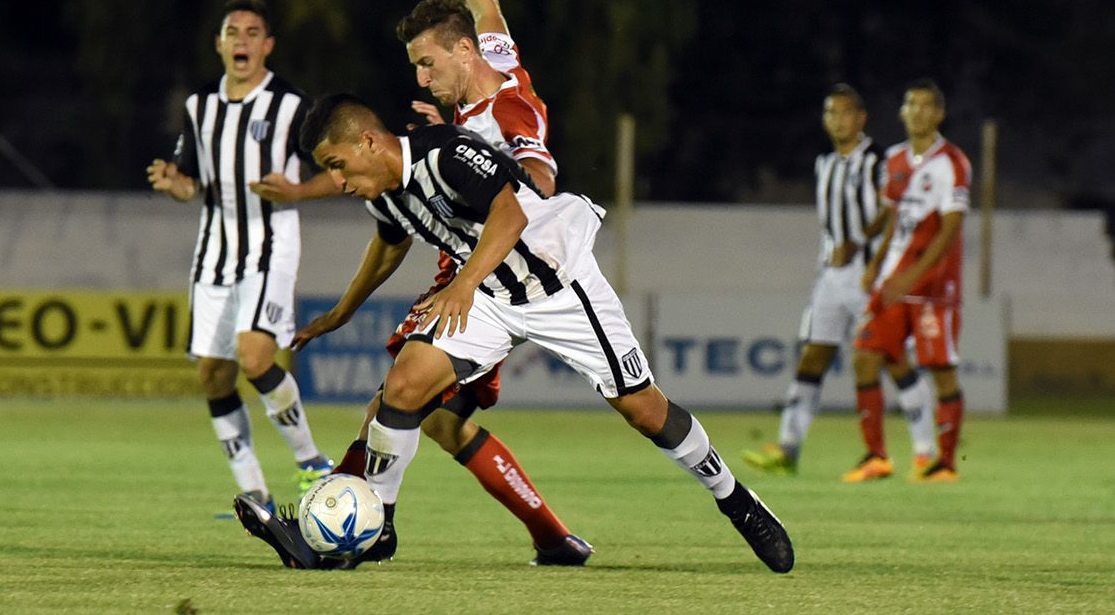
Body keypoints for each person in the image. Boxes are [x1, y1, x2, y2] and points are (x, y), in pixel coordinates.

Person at [234, 94, 795, 574]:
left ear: (369, 141)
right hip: (490, 296)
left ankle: (735, 500)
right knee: (402, 389)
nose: (336, 182)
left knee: (645, 411)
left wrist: (461, 284)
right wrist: (342, 311)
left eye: (338, 165)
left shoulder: (446, 152)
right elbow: (389, 244)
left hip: (557, 285)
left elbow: (511, 216)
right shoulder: (383, 191)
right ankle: (378, 526)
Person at [250, 0, 589, 566]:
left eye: (427, 64)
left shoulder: (507, 114)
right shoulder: (494, 66)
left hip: (490, 273)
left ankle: (345, 532)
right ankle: (554, 539)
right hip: (472, 266)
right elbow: (486, 8)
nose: (422, 78)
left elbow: (535, 181)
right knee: (439, 423)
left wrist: (481, 177)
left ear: (459, 55)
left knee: (396, 400)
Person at [147, 0, 332, 512]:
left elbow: (339, 171)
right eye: (233, 32)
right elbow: (191, 183)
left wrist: (298, 191)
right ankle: (254, 489)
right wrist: (175, 185)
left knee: (254, 356)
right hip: (214, 252)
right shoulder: (199, 107)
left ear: (267, 45)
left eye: (252, 33)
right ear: (220, 44)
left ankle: (311, 462)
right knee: (213, 374)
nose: (242, 41)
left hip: (270, 246)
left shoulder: (292, 106)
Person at [742, 84, 936, 477]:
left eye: (845, 112)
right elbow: (831, 226)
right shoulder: (825, 164)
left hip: (871, 274)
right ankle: (788, 449)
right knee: (813, 355)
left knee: (891, 357)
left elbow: (893, 209)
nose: (838, 120)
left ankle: (926, 450)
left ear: (861, 118)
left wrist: (861, 243)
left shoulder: (879, 160)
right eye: (831, 113)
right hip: (831, 278)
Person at [843, 79, 971, 483]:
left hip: (933, 288)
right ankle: (876, 457)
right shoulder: (895, 160)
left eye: (925, 105)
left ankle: (944, 464)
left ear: (939, 114)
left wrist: (914, 276)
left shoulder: (952, 163)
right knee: (865, 357)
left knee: (941, 370)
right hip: (893, 284)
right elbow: (896, 222)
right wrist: (876, 264)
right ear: (902, 112)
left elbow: (950, 230)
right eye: (910, 104)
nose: (917, 112)